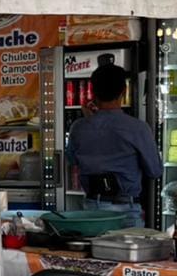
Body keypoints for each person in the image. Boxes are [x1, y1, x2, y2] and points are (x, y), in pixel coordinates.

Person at [68, 63, 162, 229]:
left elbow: (72, 160)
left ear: (94, 92)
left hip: (91, 210)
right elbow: (155, 171)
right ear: (123, 91)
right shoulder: (137, 128)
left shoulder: (78, 127)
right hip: (126, 211)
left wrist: (91, 120)